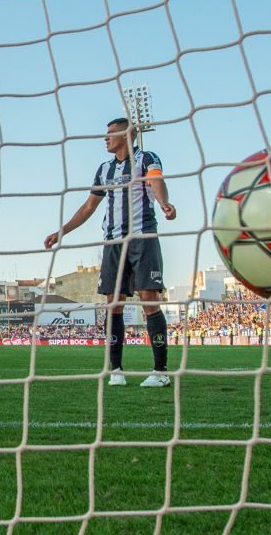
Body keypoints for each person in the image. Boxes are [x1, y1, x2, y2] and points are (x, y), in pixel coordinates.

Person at [43, 117, 176, 387]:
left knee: (149, 300)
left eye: (111, 134)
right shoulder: (104, 169)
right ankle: (116, 370)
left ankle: (160, 371)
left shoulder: (146, 157)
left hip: (142, 238)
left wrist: (164, 203)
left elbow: (155, 181)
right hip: (113, 244)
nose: (106, 138)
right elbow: (89, 207)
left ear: (127, 135)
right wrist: (62, 231)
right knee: (113, 304)